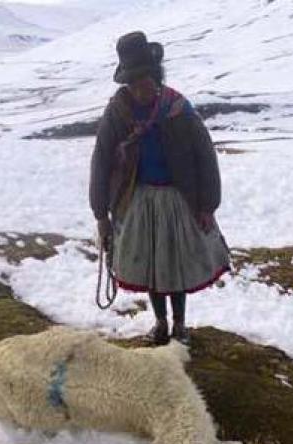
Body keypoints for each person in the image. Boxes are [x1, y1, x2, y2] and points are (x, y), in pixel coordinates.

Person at [89, 31, 230, 345]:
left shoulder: (178, 109)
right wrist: (101, 213)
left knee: (175, 266)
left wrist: (207, 205)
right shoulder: (118, 112)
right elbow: (101, 159)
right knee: (151, 267)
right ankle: (161, 322)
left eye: (146, 82)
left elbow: (205, 157)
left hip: (177, 199)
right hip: (137, 200)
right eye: (133, 84)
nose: (140, 90)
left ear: (157, 77)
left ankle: (180, 324)